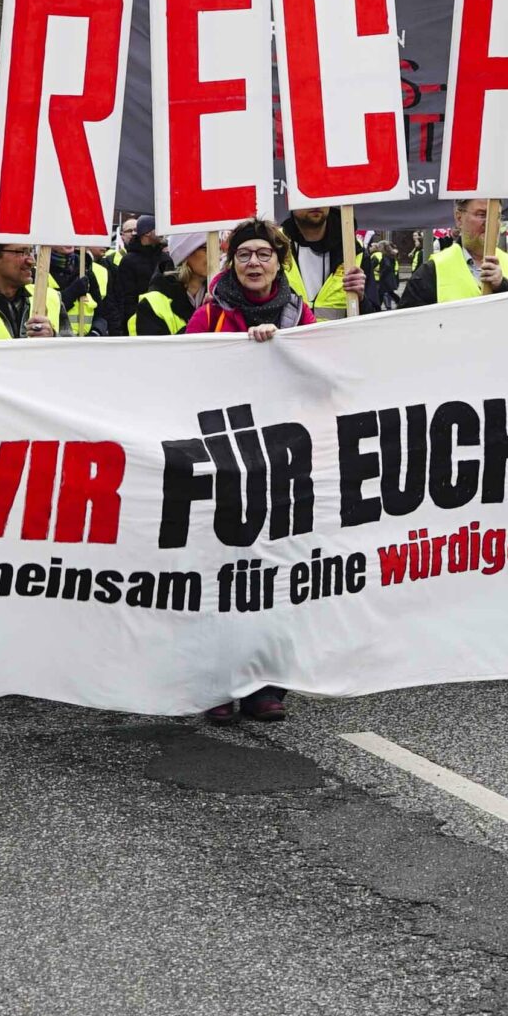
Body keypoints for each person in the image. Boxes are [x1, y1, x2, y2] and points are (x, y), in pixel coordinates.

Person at [178, 218, 319, 725]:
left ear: (278, 261)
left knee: (273, 575)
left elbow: (324, 375)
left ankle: (265, 685)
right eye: (244, 255)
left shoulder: (299, 314)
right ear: (230, 263)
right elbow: (182, 374)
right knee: (219, 575)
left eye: (263, 254)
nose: (254, 263)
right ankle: (217, 681)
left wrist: (283, 345)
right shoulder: (210, 316)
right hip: (223, 462)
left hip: (281, 464)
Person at [398, 198, 508, 306]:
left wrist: (504, 286)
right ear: (459, 218)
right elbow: (408, 327)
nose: (490, 223)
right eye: (481, 215)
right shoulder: (433, 270)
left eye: (496, 216)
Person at [280, 206, 369, 317]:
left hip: (341, 334)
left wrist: (361, 300)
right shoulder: (274, 246)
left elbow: (374, 316)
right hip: (290, 334)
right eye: (307, 195)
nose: (316, 204)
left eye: (320, 195)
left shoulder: (355, 249)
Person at [124, 233, 213, 335]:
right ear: (186, 255)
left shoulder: (221, 296)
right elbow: (159, 349)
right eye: (206, 249)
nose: (217, 255)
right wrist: (201, 319)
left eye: (218, 248)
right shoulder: (152, 304)